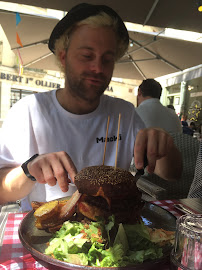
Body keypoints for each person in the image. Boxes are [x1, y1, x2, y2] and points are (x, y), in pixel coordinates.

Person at [0, 3, 182, 211]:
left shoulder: (124, 113)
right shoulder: (27, 111)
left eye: (107, 59)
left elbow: (172, 173)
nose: (97, 68)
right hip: (43, 235)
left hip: (110, 232)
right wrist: (29, 170)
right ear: (63, 56)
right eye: (87, 56)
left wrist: (165, 146)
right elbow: (2, 190)